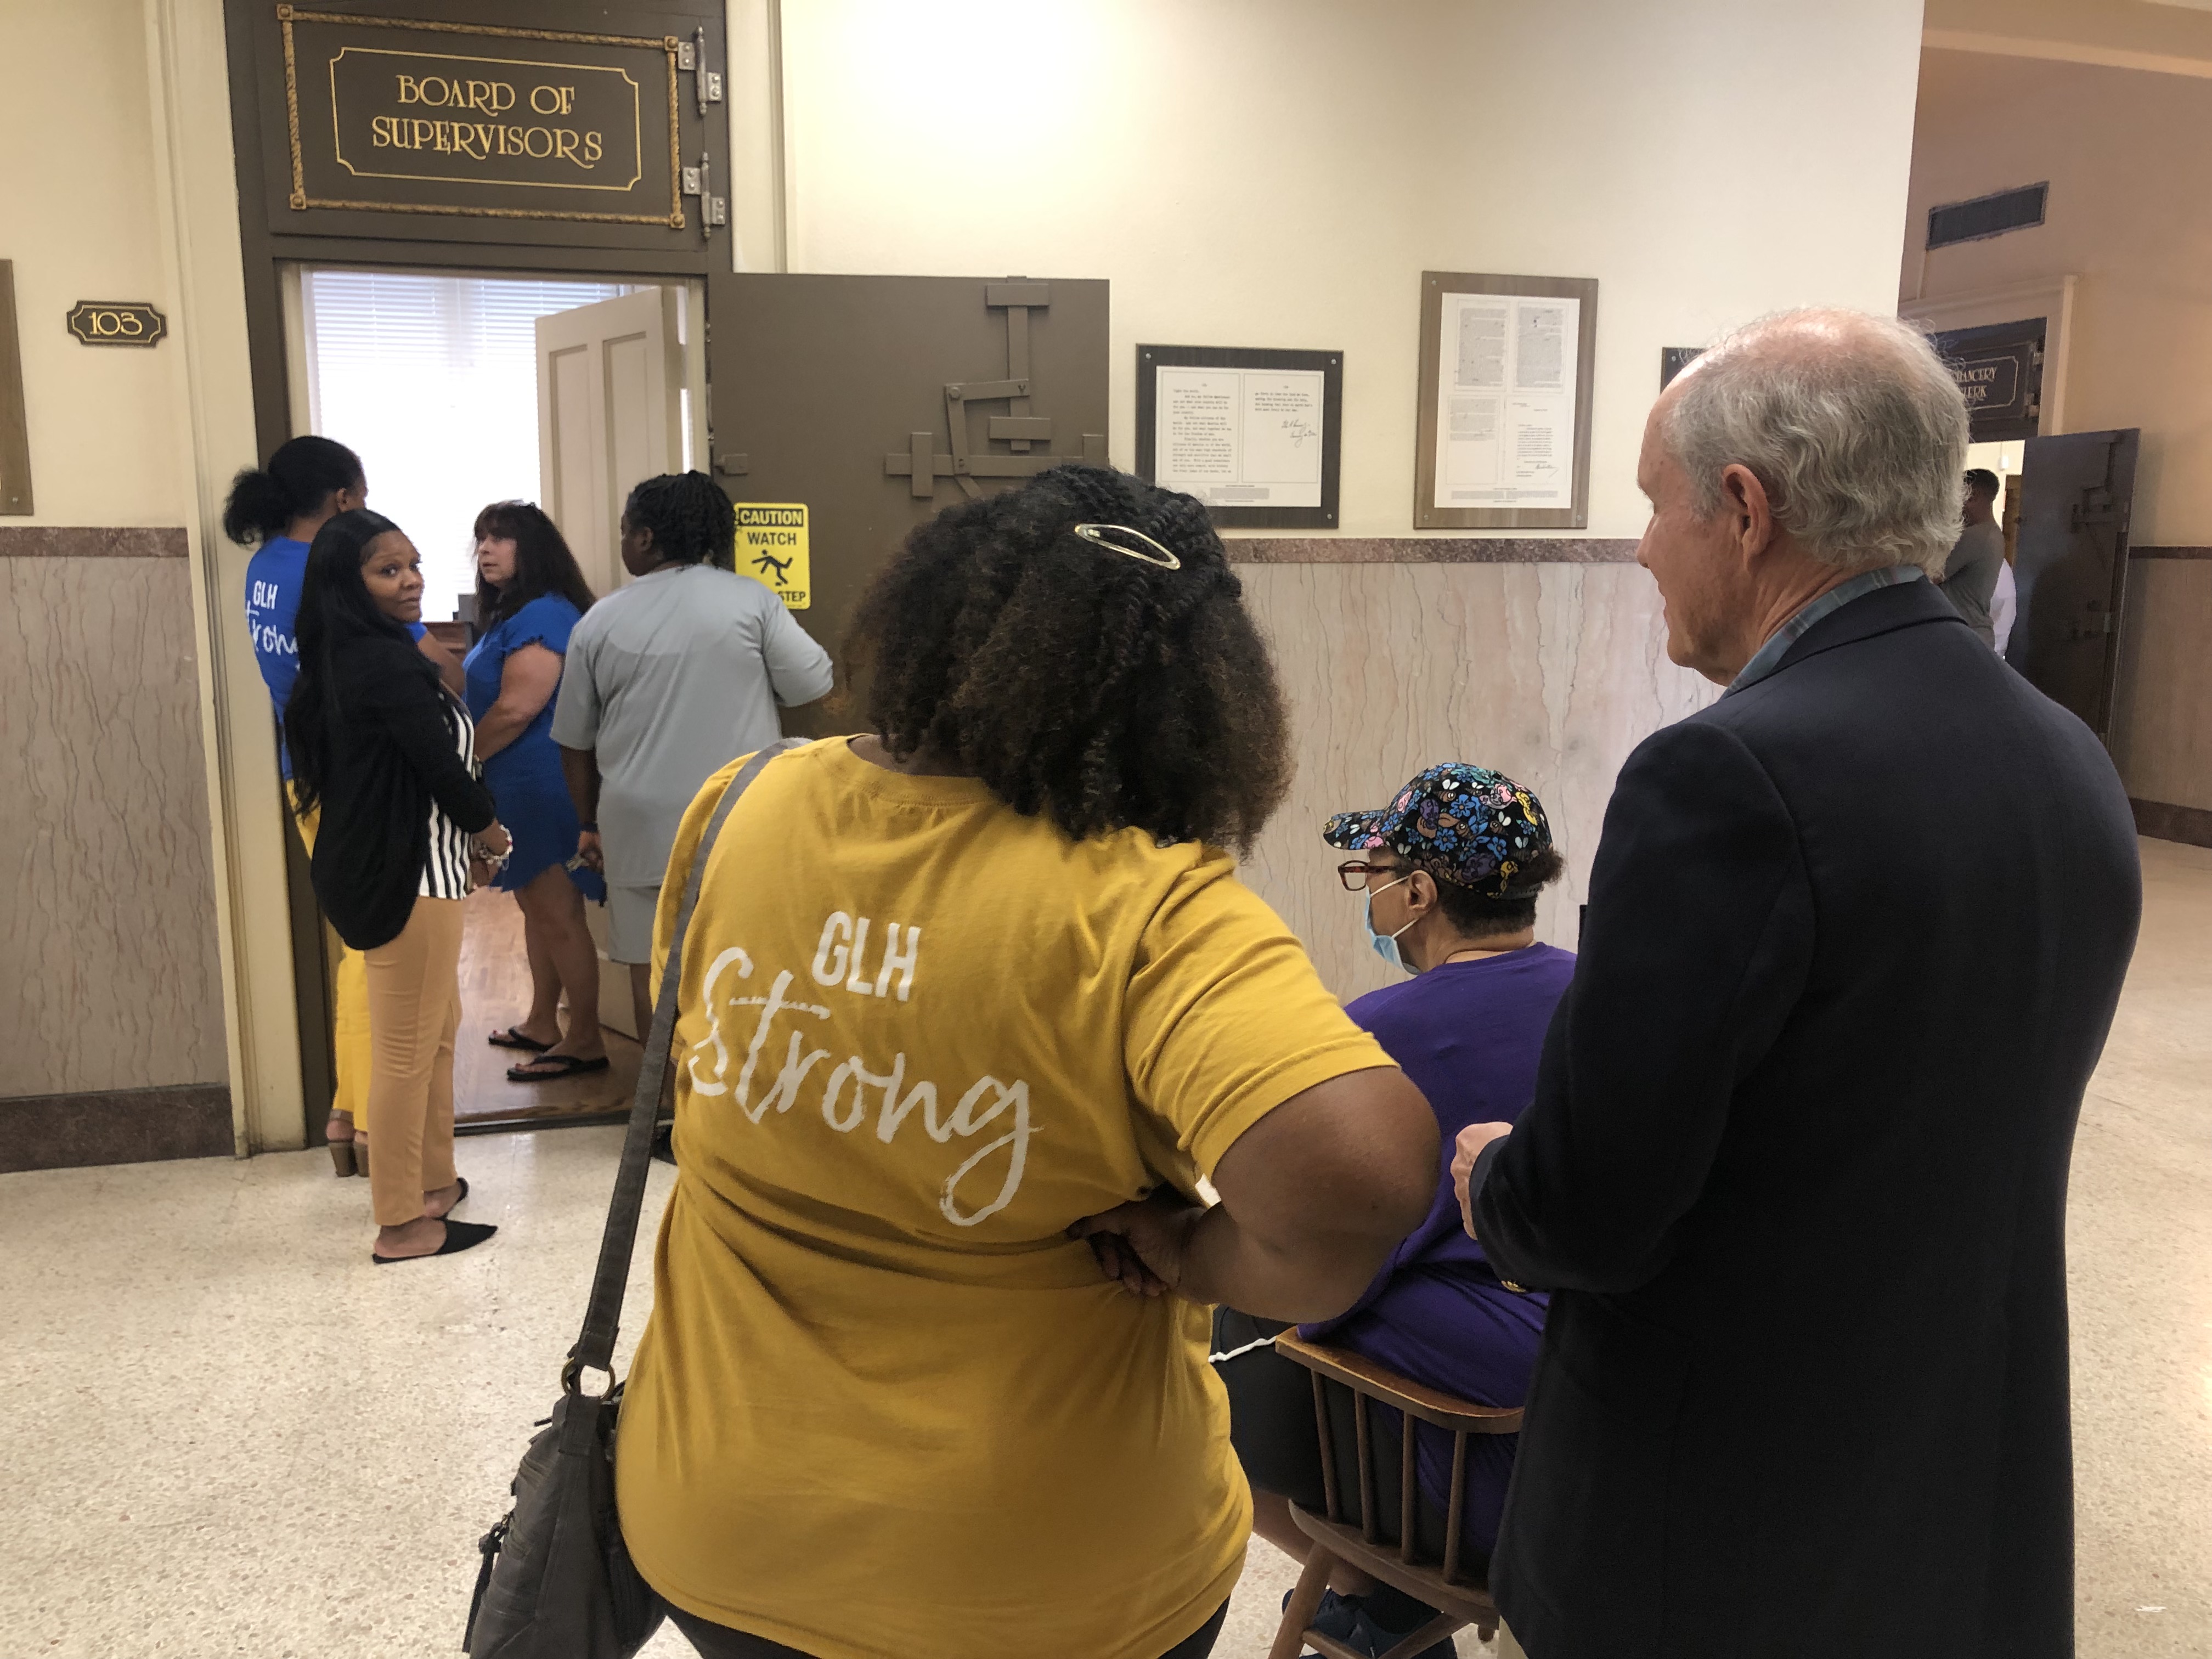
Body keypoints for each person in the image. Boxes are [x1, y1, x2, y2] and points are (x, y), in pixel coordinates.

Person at [612, 466, 1440, 1659]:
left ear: (939, 616)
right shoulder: (1148, 907)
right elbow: (1355, 1175)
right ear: (1201, 691)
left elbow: (691, 1056)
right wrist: (1194, 1252)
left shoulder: (741, 802)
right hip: (1051, 1578)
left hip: (723, 1529)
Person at [1453, 310, 2141, 1659]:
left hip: (1724, 1533)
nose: (1643, 547)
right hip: (1955, 1499)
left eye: (1655, 505)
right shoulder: (2068, 757)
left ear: (1745, 509)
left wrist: (1495, 1183)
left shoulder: (1725, 778)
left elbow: (1595, 1210)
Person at [1212, 763, 1573, 1659]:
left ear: (1418, 893)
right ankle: (1377, 1598)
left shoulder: (1378, 1033)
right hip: (1600, 1415)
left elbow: (1320, 1256)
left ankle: (1370, 1590)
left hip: (1481, 1450)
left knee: (1221, 1345)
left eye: (1370, 874)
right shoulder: (1599, 999)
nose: (1368, 896)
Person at [223, 436, 464, 1175]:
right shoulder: (340, 574)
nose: (401, 575)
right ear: (345, 499)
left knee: (359, 947)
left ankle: (345, 1111)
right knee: (382, 950)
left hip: (307, 776)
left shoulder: (265, 566)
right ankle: (368, 1124)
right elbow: (438, 671)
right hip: (366, 783)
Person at [285, 509, 514, 1263]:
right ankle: (402, 1223)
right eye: (389, 570)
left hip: (423, 870)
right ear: (348, 585)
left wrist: (467, 846)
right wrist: (490, 834)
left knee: (437, 1036)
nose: (411, 580)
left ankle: (434, 1184)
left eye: (413, 565)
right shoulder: (378, 664)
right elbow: (440, 769)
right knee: (406, 1054)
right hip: (406, 880)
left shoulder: (358, 653)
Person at [550, 471, 834, 1046]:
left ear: (646, 538)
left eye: (625, 531)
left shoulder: (599, 621)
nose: (623, 541)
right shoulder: (751, 601)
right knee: (743, 963)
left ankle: (660, 1095)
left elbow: (574, 741)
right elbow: (813, 683)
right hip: (740, 818)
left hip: (638, 825)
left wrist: (588, 823)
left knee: (650, 971)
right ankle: (732, 1090)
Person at [462, 501, 611, 1082]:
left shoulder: (546, 614)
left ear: (534, 549)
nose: (486, 549)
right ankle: (543, 1021)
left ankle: (586, 1038)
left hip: (543, 782)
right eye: (481, 538)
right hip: (515, 782)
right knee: (535, 905)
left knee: (558, 912)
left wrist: (460, 762)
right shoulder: (514, 613)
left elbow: (519, 707)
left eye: (500, 538)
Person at [1934, 466, 2005, 646]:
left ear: (1972, 496)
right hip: (1973, 634)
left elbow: (1930, 575)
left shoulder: (1976, 536)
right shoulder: (1994, 533)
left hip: (1965, 635)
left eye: (1956, 496)